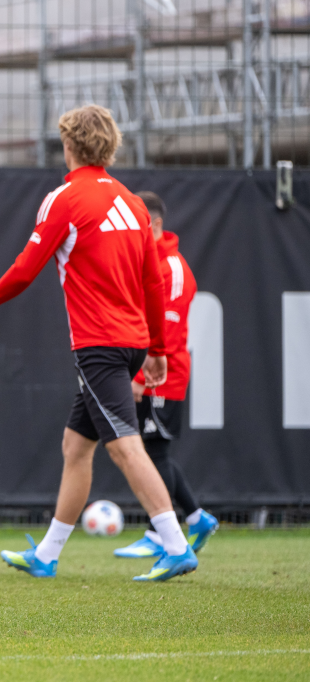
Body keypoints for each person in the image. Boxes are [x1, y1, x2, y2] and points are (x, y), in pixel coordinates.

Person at [0, 104, 198, 582]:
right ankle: (48, 555)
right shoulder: (134, 203)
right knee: (76, 446)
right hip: (131, 342)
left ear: (68, 145)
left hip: (100, 346)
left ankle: (175, 545)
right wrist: (156, 348)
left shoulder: (64, 199)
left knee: (125, 448)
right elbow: (154, 282)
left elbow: (25, 270)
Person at [114, 191, 219, 559]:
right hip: (148, 374)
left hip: (164, 377)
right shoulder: (145, 261)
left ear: (155, 224)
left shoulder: (171, 267)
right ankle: (194, 518)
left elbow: (168, 332)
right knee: (152, 450)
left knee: (155, 452)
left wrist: (141, 379)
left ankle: (161, 532)